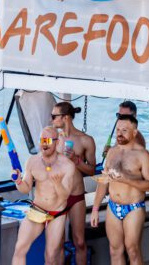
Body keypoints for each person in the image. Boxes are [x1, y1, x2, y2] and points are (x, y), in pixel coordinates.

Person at [92, 114, 149, 265]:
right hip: (113, 206)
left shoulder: (143, 155)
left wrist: (126, 179)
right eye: (118, 129)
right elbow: (103, 182)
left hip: (133, 208)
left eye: (124, 130)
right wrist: (95, 208)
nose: (119, 133)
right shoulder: (112, 152)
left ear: (134, 132)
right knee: (114, 250)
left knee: (132, 249)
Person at [11, 127, 75, 265]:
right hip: (37, 209)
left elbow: (65, 196)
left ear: (57, 142)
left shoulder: (67, 165)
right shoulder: (32, 161)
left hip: (57, 213)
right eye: (41, 140)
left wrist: (58, 184)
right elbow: (25, 188)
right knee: (19, 249)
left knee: (51, 256)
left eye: (47, 140)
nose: (44, 144)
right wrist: (18, 182)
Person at [50, 102, 97, 265]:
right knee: (58, 243)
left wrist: (75, 160)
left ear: (66, 117)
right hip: (58, 196)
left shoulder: (86, 140)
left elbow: (91, 170)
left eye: (54, 116)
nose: (52, 120)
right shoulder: (54, 139)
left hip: (76, 195)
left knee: (80, 242)